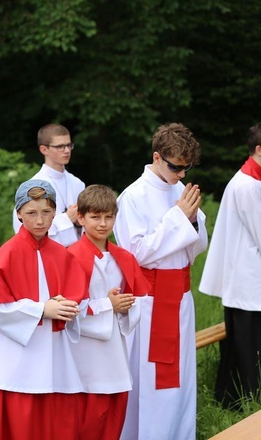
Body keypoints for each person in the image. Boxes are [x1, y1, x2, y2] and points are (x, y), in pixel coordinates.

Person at [0, 179, 86, 440]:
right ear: (19, 213)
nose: (40, 220)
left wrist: (68, 308)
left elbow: (78, 298)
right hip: (17, 360)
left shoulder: (63, 254)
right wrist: (42, 310)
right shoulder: (8, 252)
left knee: (57, 426)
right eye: (31, 213)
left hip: (55, 354)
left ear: (55, 212)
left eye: (46, 212)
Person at [113, 122, 207, 440]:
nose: (181, 175)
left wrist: (192, 220)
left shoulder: (179, 191)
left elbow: (197, 244)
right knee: (152, 380)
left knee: (180, 377)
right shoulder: (132, 197)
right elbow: (135, 254)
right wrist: (178, 218)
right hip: (150, 302)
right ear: (157, 156)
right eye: (176, 167)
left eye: (186, 168)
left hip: (180, 298)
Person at [67, 185, 150, 439]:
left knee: (114, 412)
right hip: (84, 351)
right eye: (95, 217)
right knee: (87, 415)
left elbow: (136, 300)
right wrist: (107, 305)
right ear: (80, 218)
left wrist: (124, 307)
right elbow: (69, 309)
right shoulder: (70, 256)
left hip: (115, 345)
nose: (103, 224)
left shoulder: (124, 257)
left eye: (108, 217)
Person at [199, 123, 261, 409]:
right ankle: (246, 403)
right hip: (248, 282)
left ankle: (232, 399)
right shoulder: (248, 185)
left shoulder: (251, 178)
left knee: (241, 346)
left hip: (247, 279)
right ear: (259, 150)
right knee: (247, 348)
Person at [13, 123, 84, 246]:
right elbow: (24, 230)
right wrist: (67, 219)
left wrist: (80, 223)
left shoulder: (78, 183)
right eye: (60, 146)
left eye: (68, 145)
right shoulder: (32, 187)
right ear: (44, 149)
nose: (67, 150)